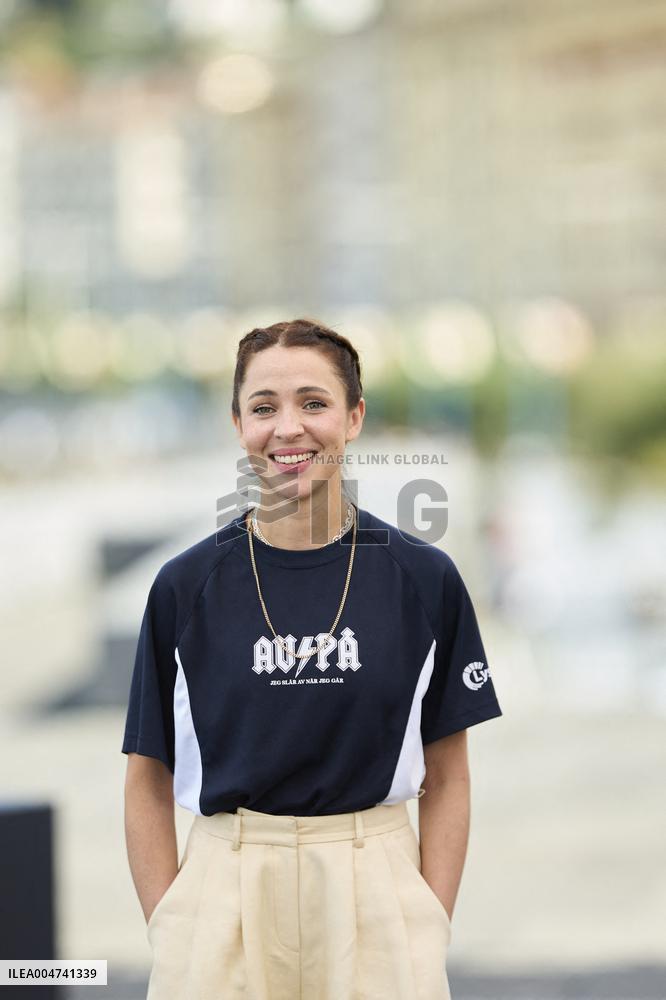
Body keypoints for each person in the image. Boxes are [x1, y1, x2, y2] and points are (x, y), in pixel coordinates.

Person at [122, 318, 503, 1000]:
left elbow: (448, 775)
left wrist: (428, 921)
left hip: (375, 889)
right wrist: (171, 926)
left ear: (354, 417)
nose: (288, 428)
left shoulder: (424, 579)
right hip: (224, 891)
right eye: (264, 407)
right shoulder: (183, 588)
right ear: (238, 424)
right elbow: (147, 776)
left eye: (314, 402)